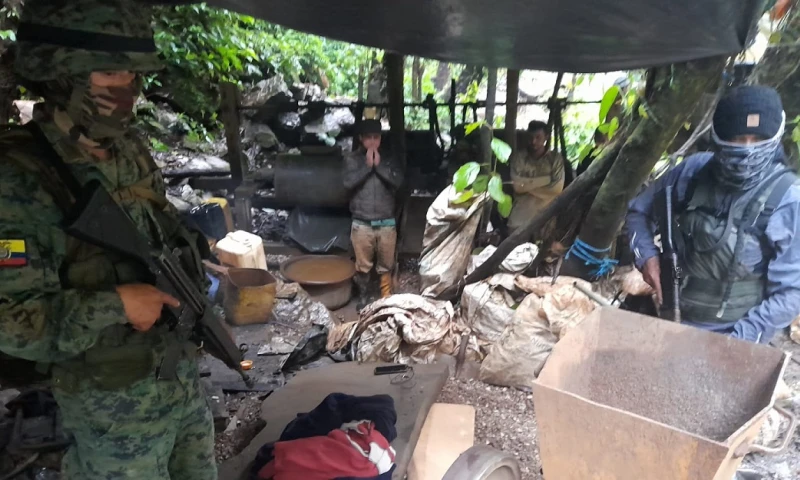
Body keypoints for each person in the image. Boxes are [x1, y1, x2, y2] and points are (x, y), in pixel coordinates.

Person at [0, 1, 216, 478]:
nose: (129, 90)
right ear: (61, 76)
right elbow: (14, 324)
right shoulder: (18, 179)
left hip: (176, 379)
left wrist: (192, 256)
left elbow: (154, 229)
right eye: (112, 74)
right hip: (110, 407)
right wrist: (117, 304)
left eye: (135, 77)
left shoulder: (129, 150)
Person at [626, 86, 800, 344]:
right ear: (719, 138)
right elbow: (638, 212)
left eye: (757, 139)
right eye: (737, 139)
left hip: (737, 333)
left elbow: (791, 293)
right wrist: (646, 257)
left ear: (774, 139)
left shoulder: (789, 199)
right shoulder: (691, 172)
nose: (747, 150)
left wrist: (738, 340)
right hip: (670, 316)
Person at [343, 119, 404, 308]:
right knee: (362, 265)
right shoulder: (351, 159)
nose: (372, 142)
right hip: (362, 221)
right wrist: (367, 167)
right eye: (368, 138)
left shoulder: (389, 159)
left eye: (375, 137)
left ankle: (385, 296)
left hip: (386, 221)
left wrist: (379, 166)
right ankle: (363, 296)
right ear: (361, 139)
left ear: (380, 139)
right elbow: (347, 183)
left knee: (386, 263)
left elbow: (398, 182)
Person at [507, 120, 565, 234]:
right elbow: (517, 187)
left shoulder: (555, 159)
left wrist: (526, 186)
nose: (533, 141)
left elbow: (557, 189)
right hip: (520, 217)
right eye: (531, 137)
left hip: (546, 216)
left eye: (538, 137)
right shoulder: (519, 158)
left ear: (546, 137)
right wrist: (547, 180)